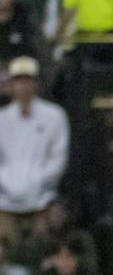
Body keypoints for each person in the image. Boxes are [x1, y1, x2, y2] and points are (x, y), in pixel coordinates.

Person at [0, 57, 66, 240]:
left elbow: (58, 159)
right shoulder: (2, 119)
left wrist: (36, 182)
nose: (23, 86)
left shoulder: (55, 116)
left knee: (39, 250)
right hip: (5, 203)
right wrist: (9, 184)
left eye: (27, 80)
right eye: (18, 80)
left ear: (36, 83)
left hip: (41, 202)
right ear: (11, 85)